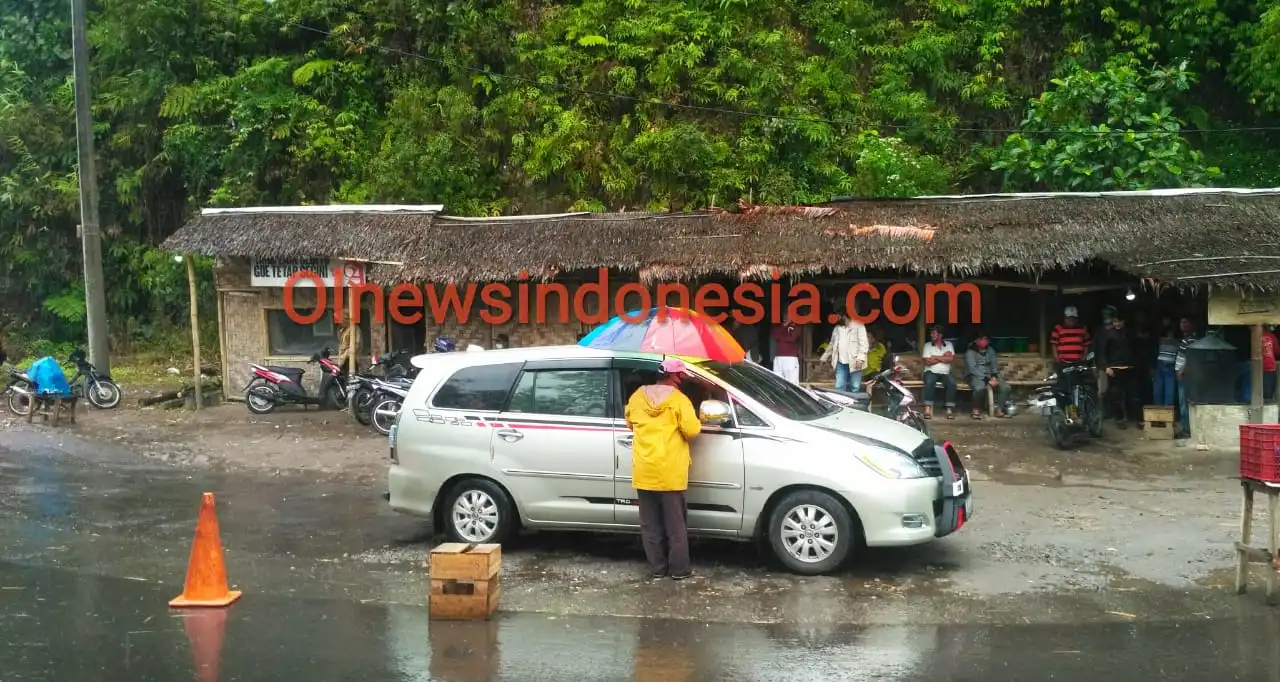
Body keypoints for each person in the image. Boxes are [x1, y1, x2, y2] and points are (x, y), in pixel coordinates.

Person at [624, 357, 702, 580]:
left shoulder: (638, 396)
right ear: (676, 376)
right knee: (675, 524)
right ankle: (678, 570)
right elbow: (691, 430)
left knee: (650, 524)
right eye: (682, 375)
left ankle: (657, 568)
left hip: (645, 469)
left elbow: (629, 421)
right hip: (670, 471)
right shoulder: (679, 400)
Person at [1097, 312, 1140, 428]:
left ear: (1123, 322)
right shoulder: (1109, 335)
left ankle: (1133, 417)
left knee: (1132, 394)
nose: (1116, 324)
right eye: (1114, 321)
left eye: (1118, 321)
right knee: (1116, 394)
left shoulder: (1129, 335)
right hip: (1114, 368)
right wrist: (1106, 367)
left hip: (1129, 367)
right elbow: (1103, 352)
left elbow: (1135, 351)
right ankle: (1119, 418)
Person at [1050, 306, 1092, 407]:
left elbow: (1086, 344)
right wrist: (1057, 360)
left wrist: (1084, 358)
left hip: (1078, 363)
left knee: (1077, 387)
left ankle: (1077, 408)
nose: (1071, 320)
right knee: (1064, 388)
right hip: (1064, 363)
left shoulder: (1082, 328)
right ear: (1065, 318)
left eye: (1073, 318)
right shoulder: (1058, 328)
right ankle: (1066, 409)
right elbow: (1054, 345)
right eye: (1069, 318)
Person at [965, 330, 1011, 419]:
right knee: (979, 388)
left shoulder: (990, 351)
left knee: (1005, 387)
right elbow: (973, 369)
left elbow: (994, 366)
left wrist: (994, 377)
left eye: (986, 339)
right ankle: (976, 409)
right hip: (975, 376)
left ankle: (999, 409)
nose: (985, 341)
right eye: (982, 339)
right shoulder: (970, 352)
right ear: (976, 341)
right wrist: (986, 379)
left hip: (990, 376)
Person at [819, 314, 868, 392]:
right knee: (839, 387)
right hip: (841, 362)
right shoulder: (837, 329)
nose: (836, 319)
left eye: (838, 316)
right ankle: (840, 404)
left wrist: (861, 358)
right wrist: (824, 358)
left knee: (854, 387)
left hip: (855, 361)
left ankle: (853, 404)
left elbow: (864, 344)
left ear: (844, 316)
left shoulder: (859, 326)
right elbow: (831, 344)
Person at [921, 326, 957, 420]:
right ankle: (927, 408)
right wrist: (943, 357)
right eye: (931, 333)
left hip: (945, 372)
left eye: (934, 333)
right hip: (931, 371)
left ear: (940, 335)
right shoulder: (927, 345)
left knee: (952, 383)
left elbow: (951, 359)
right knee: (929, 381)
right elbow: (928, 362)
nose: (931, 335)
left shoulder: (948, 345)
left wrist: (935, 357)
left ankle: (949, 409)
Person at [1174, 317, 1198, 438]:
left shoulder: (1192, 339)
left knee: (1185, 404)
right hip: (1182, 375)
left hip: (1185, 376)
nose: (1182, 325)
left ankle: (1187, 430)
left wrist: (1181, 370)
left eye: (1185, 322)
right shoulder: (1185, 338)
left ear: (1192, 324)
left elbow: (1191, 357)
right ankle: (1185, 428)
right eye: (1181, 322)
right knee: (1182, 403)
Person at [770, 316, 802, 383]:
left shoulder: (796, 327)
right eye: (785, 316)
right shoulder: (779, 327)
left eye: (788, 316)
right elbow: (774, 335)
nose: (786, 318)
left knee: (792, 382)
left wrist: (780, 338)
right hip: (778, 357)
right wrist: (784, 326)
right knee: (778, 381)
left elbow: (792, 338)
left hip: (791, 358)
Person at [1154, 322, 1179, 406]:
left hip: (1169, 364)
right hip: (1163, 363)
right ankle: (1160, 409)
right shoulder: (1162, 340)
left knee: (1167, 390)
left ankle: (1166, 411)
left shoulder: (1175, 341)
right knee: (1162, 389)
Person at [1263, 325, 1278, 402]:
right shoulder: (1271, 336)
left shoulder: (1254, 336)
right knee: (1269, 392)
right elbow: (1277, 351)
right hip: (1270, 366)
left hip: (1257, 367)